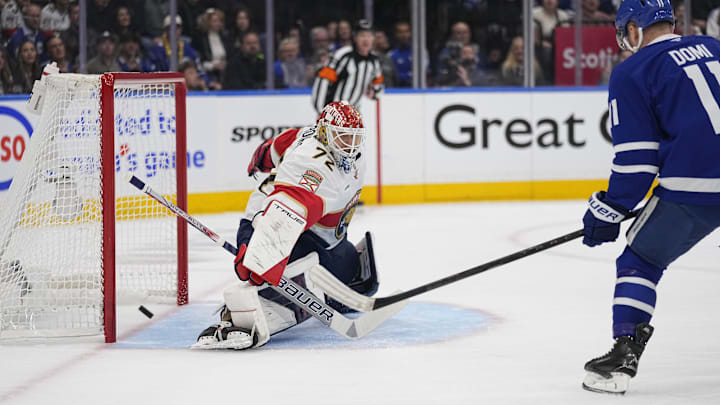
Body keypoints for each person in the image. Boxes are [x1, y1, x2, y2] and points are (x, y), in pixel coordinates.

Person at [581, 0, 720, 395]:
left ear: (634, 28)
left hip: (694, 190)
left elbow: (637, 160)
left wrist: (609, 209)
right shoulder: (714, 46)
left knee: (640, 261)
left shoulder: (633, 71)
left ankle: (623, 355)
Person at [192, 101, 379, 350]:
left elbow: (282, 143)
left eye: (354, 138)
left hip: (324, 237)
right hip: (273, 223)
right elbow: (285, 213)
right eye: (343, 137)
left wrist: (263, 156)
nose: (350, 146)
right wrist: (263, 256)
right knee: (261, 271)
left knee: (356, 276)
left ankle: (327, 276)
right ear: (325, 132)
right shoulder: (312, 165)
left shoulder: (324, 141)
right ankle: (236, 317)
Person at [311, 19, 383, 114]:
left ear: (373, 38)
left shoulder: (375, 61)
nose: (366, 39)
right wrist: (322, 111)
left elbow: (377, 89)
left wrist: (373, 92)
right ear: (355, 37)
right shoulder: (342, 55)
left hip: (354, 114)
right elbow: (322, 82)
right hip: (334, 113)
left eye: (369, 35)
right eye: (362, 35)